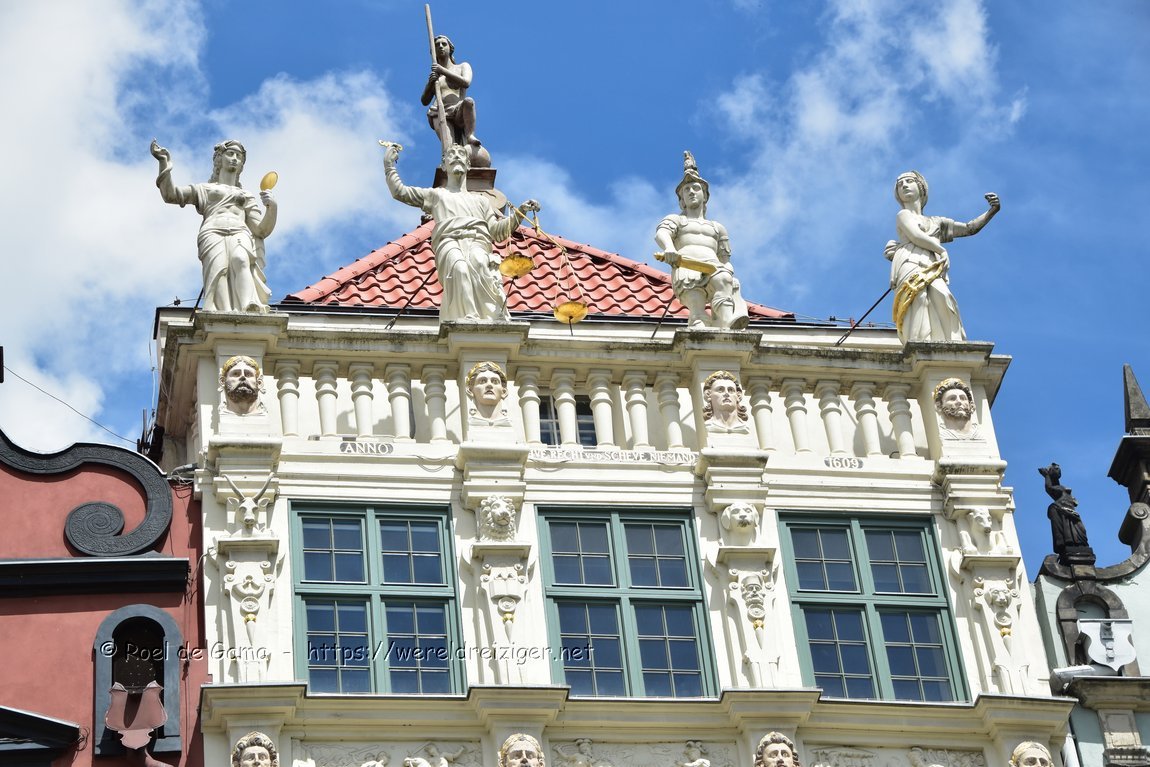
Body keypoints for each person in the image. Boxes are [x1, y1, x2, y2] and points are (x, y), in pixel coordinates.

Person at [383, 142, 539, 322]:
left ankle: (489, 316)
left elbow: (497, 232)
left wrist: (520, 213)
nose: (456, 156)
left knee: (480, 263)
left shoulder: (481, 201)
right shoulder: (436, 195)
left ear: (468, 165)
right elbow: (400, 192)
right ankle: (467, 317)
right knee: (459, 269)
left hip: (477, 242)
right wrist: (389, 166)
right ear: (444, 166)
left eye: (461, 154)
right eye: (451, 154)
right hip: (449, 241)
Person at [151, 139, 277, 313]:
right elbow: (171, 195)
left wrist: (272, 207)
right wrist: (164, 162)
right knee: (219, 269)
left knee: (241, 260)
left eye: (239, 156)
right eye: (230, 154)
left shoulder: (246, 195)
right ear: (219, 158)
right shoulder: (205, 189)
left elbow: (261, 230)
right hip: (212, 231)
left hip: (239, 230)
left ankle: (249, 305)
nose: (235, 158)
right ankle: (222, 311)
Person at [885, 171, 999, 343]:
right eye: (900, 184)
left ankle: (952, 343)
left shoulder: (936, 222)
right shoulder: (903, 215)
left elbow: (969, 228)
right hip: (910, 260)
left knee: (943, 296)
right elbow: (915, 235)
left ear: (921, 188)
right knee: (918, 298)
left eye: (909, 181)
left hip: (933, 263)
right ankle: (918, 342)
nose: (904, 186)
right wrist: (941, 250)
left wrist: (992, 211)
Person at [655, 152, 748, 330]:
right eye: (686, 190)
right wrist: (669, 248)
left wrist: (730, 275)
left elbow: (725, 259)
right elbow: (662, 233)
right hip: (686, 265)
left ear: (704, 195)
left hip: (713, 266)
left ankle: (727, 321)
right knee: (696, 306)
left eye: (695, 188)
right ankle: (699, 321)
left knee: (723, 281)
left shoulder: (717, 228)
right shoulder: (677, 220)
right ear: (681, 199)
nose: (691, 192)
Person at [422, 35, 481, 151]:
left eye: (444, 44)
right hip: (439, 111)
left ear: (450, 48)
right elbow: (424, 101)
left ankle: (470, 135)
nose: (440, 46)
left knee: (469, 102)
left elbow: (466, 82)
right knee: (449, 148)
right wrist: (430, 84)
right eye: (437, 45)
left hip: (458, 109)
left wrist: (442, 71)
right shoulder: (436, 76)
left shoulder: (462, 66)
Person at [1039, 463, 1090, 554]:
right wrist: (1046, 476)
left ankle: (1077, 545)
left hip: (1070, 510)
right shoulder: (1057, 488)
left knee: (1080, 531)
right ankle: (1068, 544)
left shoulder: (1060, 486)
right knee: (1068, 531)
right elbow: (1049, 488)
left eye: (1059, 469)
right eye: (1056, 469)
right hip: (1061, 508)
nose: (1058, 470)